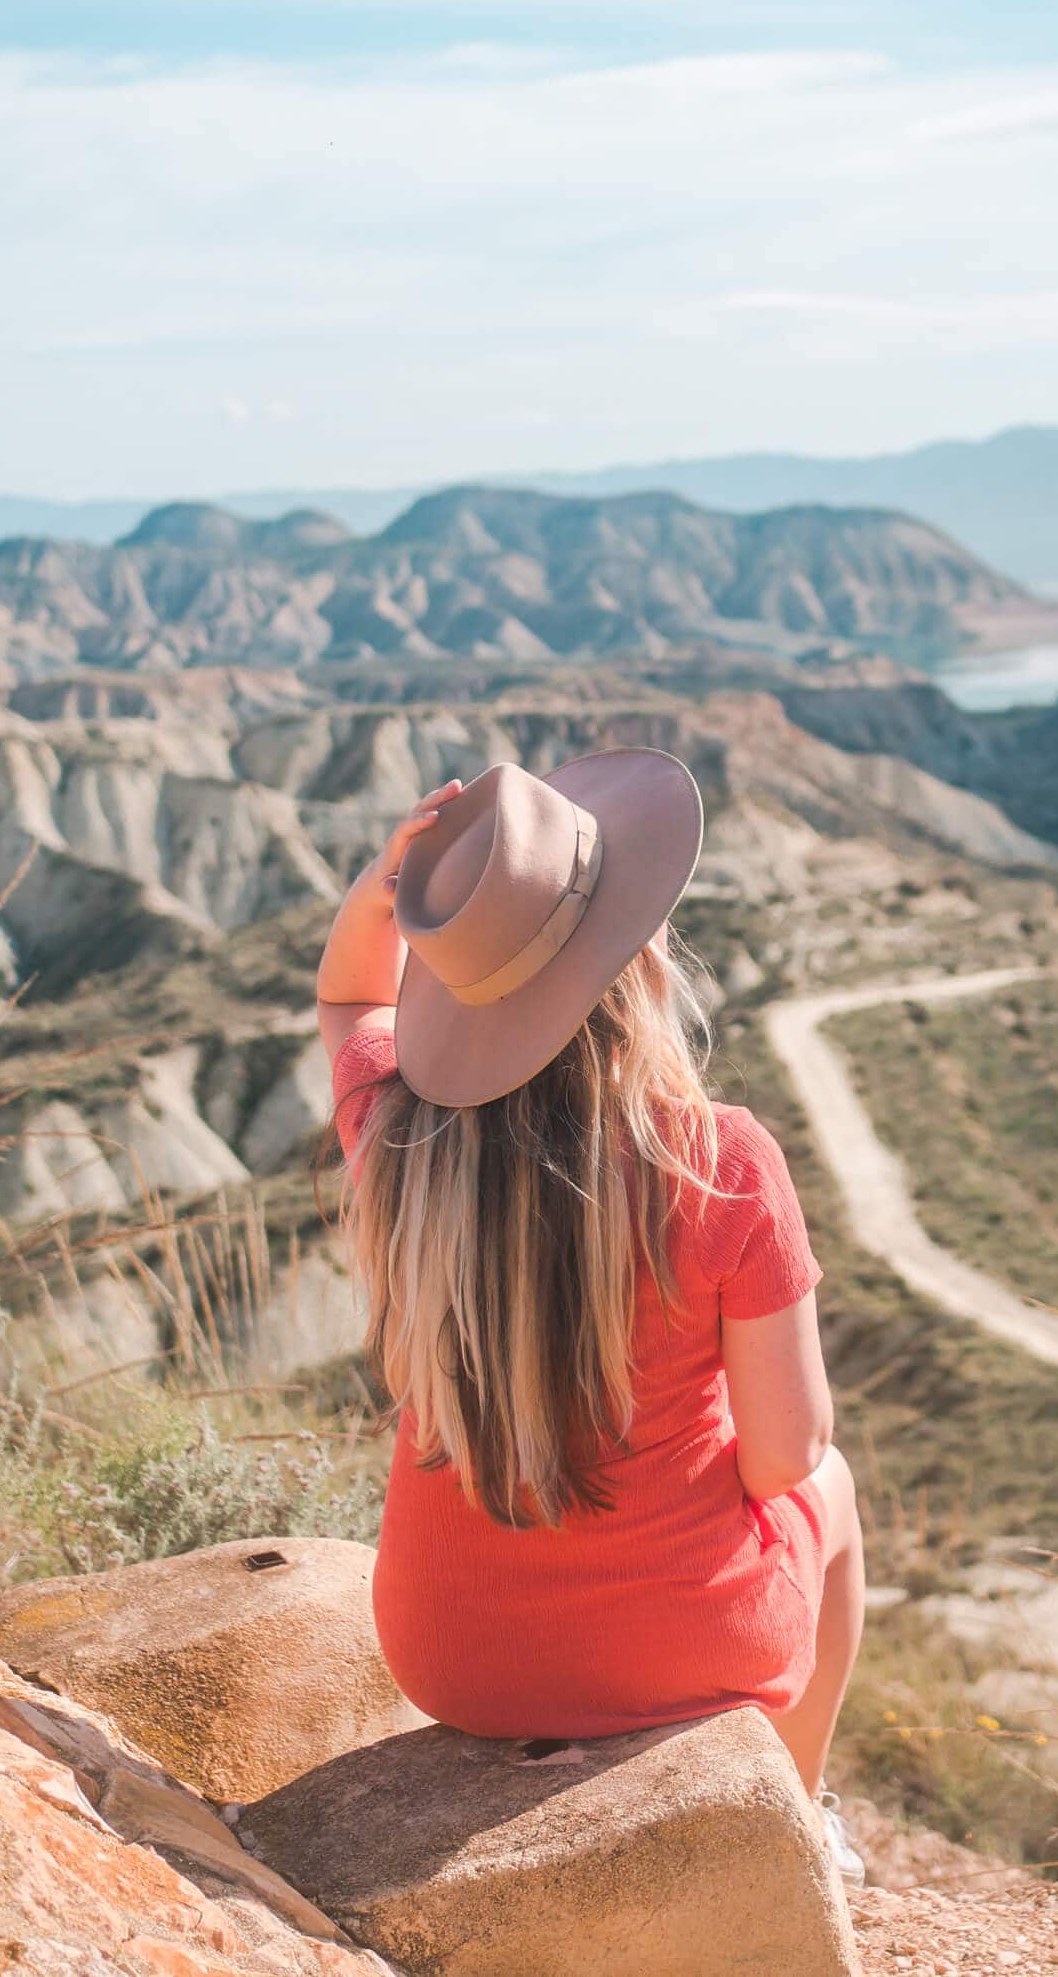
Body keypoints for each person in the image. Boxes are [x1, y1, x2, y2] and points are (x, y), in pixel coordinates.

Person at [315, 749, 866, 1881]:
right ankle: (791, 1824)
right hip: (687, 1651)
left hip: (450, 1659)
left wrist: (384, 889)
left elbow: (348, 1000)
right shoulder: (717, 1159)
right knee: (834, 1488)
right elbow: (784, 1458)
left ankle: (786, 1820)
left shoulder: (397, 1138)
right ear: (638, 957)